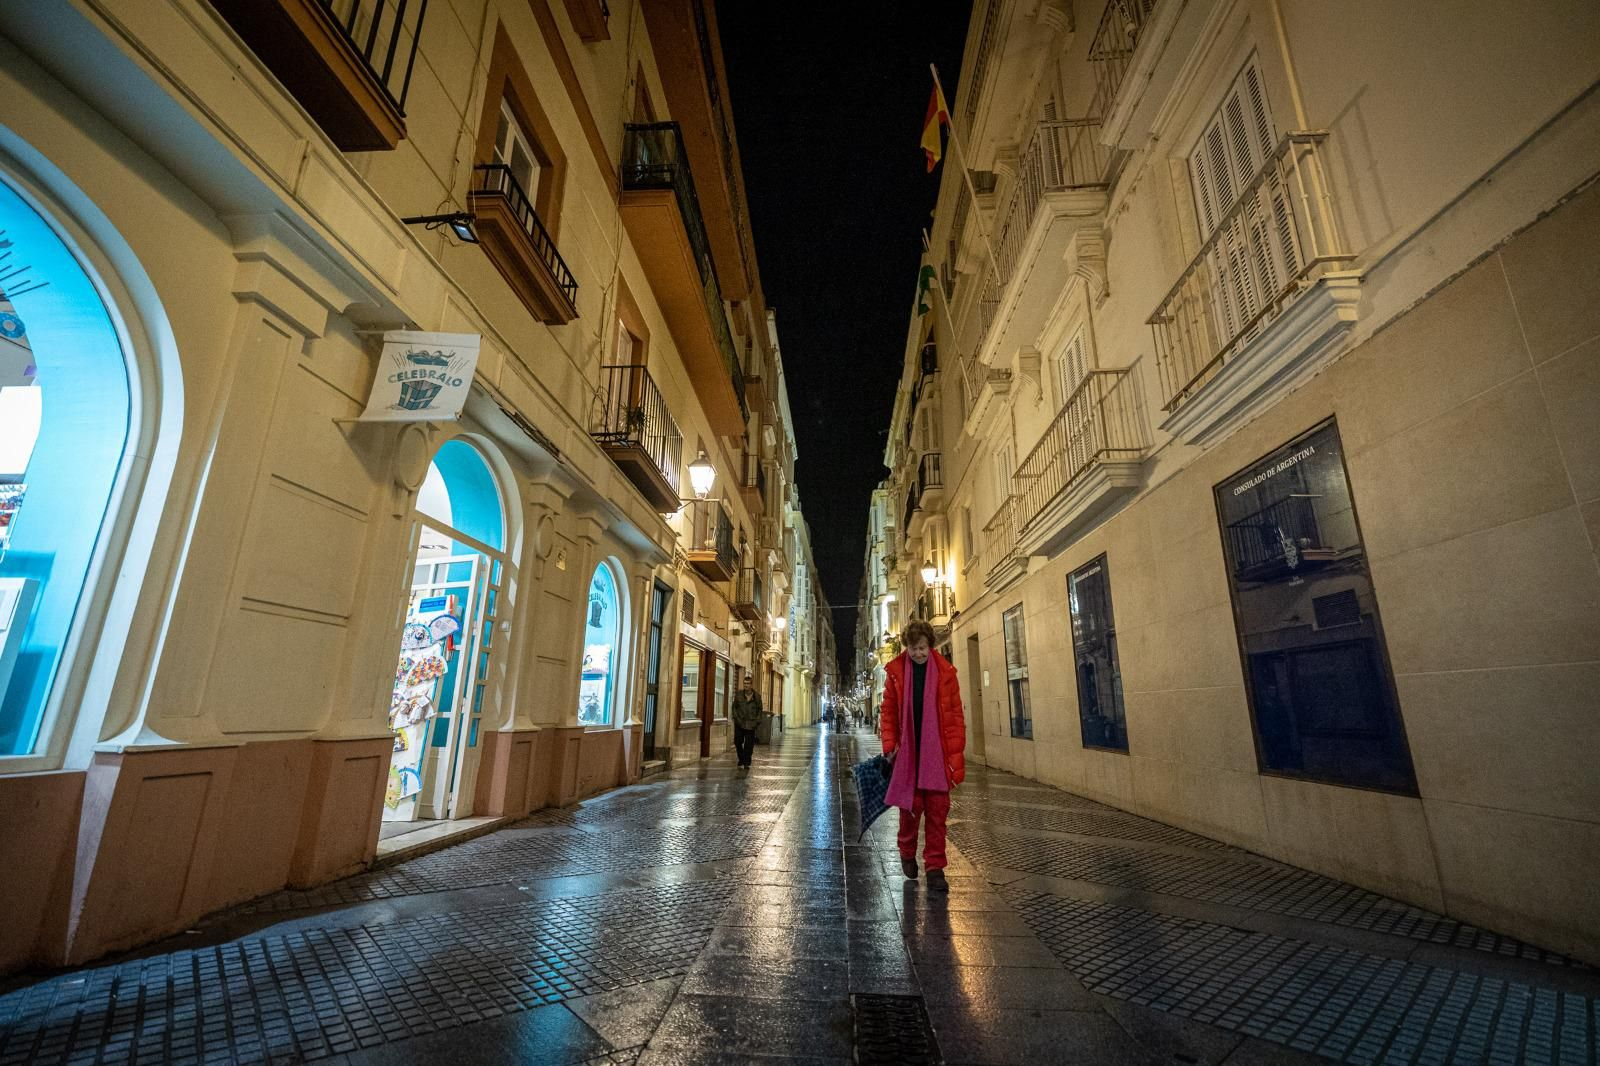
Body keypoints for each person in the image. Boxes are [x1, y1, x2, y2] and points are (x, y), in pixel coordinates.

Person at [880, 620, 966, 892]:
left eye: (922, 648)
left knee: (938, 810)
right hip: (908, 753)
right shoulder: (896, 672)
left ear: (930, 646)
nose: (918, 653)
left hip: (936, 753)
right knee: (910, 808)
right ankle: (907, 850)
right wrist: (890, 744)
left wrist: (955, 752)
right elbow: (889, 712)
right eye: (913, 649)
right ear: (907, 648)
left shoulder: (945, 673)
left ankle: (935, 867)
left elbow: (954, 715)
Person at [731, 675, 763, 772]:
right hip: (740, 723)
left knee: (749, 745)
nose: (746, 685)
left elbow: (760, 710)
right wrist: (736, 718)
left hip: (751, 724)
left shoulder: (757, 697)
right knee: (738, 742)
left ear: (751, 685)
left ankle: (746, 762)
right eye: (745, 683)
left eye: (748, 684)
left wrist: (757, 722)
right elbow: (734, 708)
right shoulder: (739, 695)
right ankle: (741, 759)